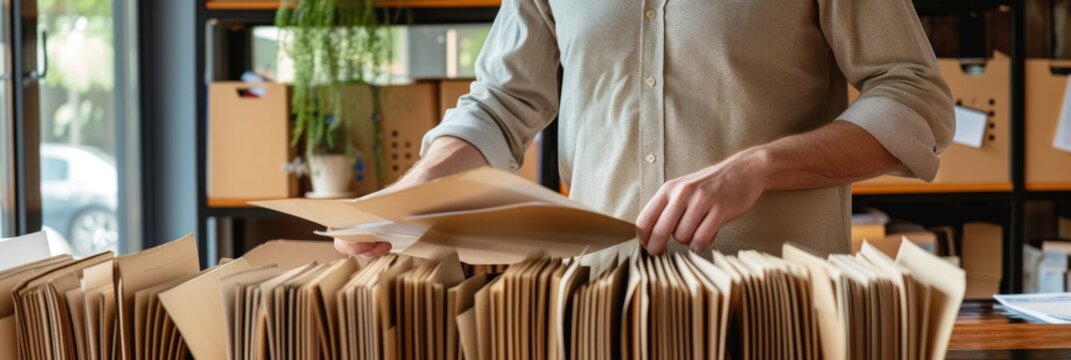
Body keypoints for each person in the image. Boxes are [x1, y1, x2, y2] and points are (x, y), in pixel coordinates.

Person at [335, 0, 954, 258]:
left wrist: (756, 167)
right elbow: (500, 103)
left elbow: (916, 99)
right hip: (603, 301)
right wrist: (413, 192)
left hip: (777, 314)